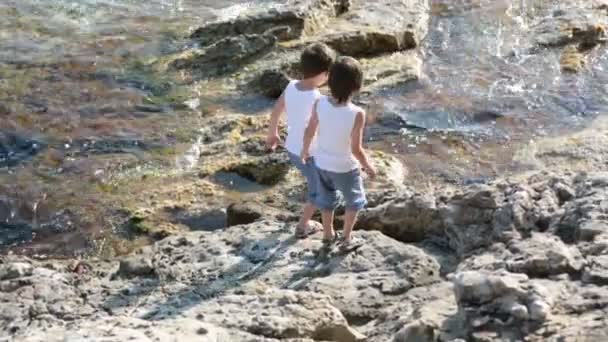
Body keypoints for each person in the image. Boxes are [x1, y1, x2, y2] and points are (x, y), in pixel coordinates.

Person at [301, 56, 376, 248]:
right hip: (345, 168)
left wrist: (305, 150)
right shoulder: (357, 113)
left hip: (321, 163)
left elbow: (310, 130)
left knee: (327, 201)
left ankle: (327, 235)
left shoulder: (320, 103)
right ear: (356, 86)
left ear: (330, 80)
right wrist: (368, 166)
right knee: (354, 200)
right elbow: (356, 149)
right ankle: (346, 238)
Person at [266, 43, 336, 238]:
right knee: (319, 191)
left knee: (315, 184)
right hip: (309, 153)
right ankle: (303, 226)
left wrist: (272, 133)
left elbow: (276, 111)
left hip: (292, 149)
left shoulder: (291, 86)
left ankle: (313, 222)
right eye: (328, 74)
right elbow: (312, 131)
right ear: (323, 74)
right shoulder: (317, 99)